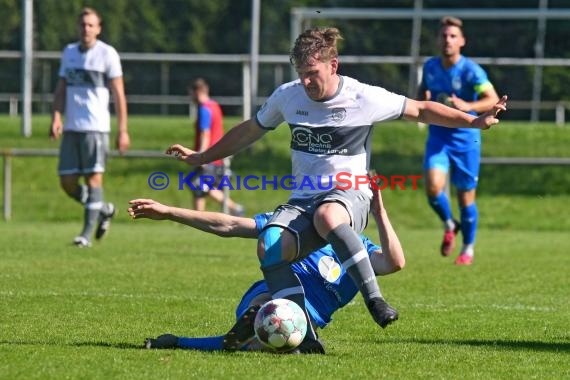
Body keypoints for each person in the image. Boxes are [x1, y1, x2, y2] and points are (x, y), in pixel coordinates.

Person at [166, 27, 507, 351]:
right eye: (300, 72)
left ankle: (374, 299)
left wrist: (473, 121)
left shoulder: (363, 97)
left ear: (333, 65)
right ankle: (305, 334)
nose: (305, 80)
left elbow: (420, 109)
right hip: (303, 201)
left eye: (312, 72)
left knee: (329, 215)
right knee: (269, 245)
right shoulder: (288, 97)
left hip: (350, 196)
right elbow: (250, 130)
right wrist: (203, 157)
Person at [128, 184, 405, 354]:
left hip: (309, 317)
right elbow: (229, 225)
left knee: (273, 340)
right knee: (271, 310)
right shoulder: (296, 226)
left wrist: (380, 212)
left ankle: (194, 341)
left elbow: (394, 262)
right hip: (274, 293)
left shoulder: (361, 249)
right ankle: (257, 320)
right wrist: (168, 212)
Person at [417, 16, 500, 266]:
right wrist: (424, 98)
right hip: (439, 136)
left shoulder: (471, 70)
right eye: (443, 35)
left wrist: (469, 105)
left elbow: (492, 98)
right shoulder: (430, 66)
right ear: (437, 40)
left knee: (466, 199)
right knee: (433, 188)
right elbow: (422, 93)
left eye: (453, 36)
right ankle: (449, 224)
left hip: (466, 140)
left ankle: (468, 249)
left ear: (462, 41)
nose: (447, 40)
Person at [49, 7, 129, 248]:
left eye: (91, 25)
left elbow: (119, 95)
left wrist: (122, 130)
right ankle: (103, 209)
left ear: (98, 28)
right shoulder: (69, 52)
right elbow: (61, 88)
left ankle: (85, 235)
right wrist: (56, 117)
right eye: (83, 25)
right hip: (72, 128)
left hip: (96, 128)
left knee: (94, 181)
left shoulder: (107, 54)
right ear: (78, 27)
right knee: (67, 182)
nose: (86, 29)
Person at [188, 78, 244, 216]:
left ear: (197, 92)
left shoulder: (204, 109)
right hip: (218, 154)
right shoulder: (215, 106)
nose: (190, 97)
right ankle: (201, 216)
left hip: (209, 156)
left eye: (191, 94)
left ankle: (232, 208)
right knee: (202, 186)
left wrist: (201, 156)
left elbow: (205, 133)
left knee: (197, 185)